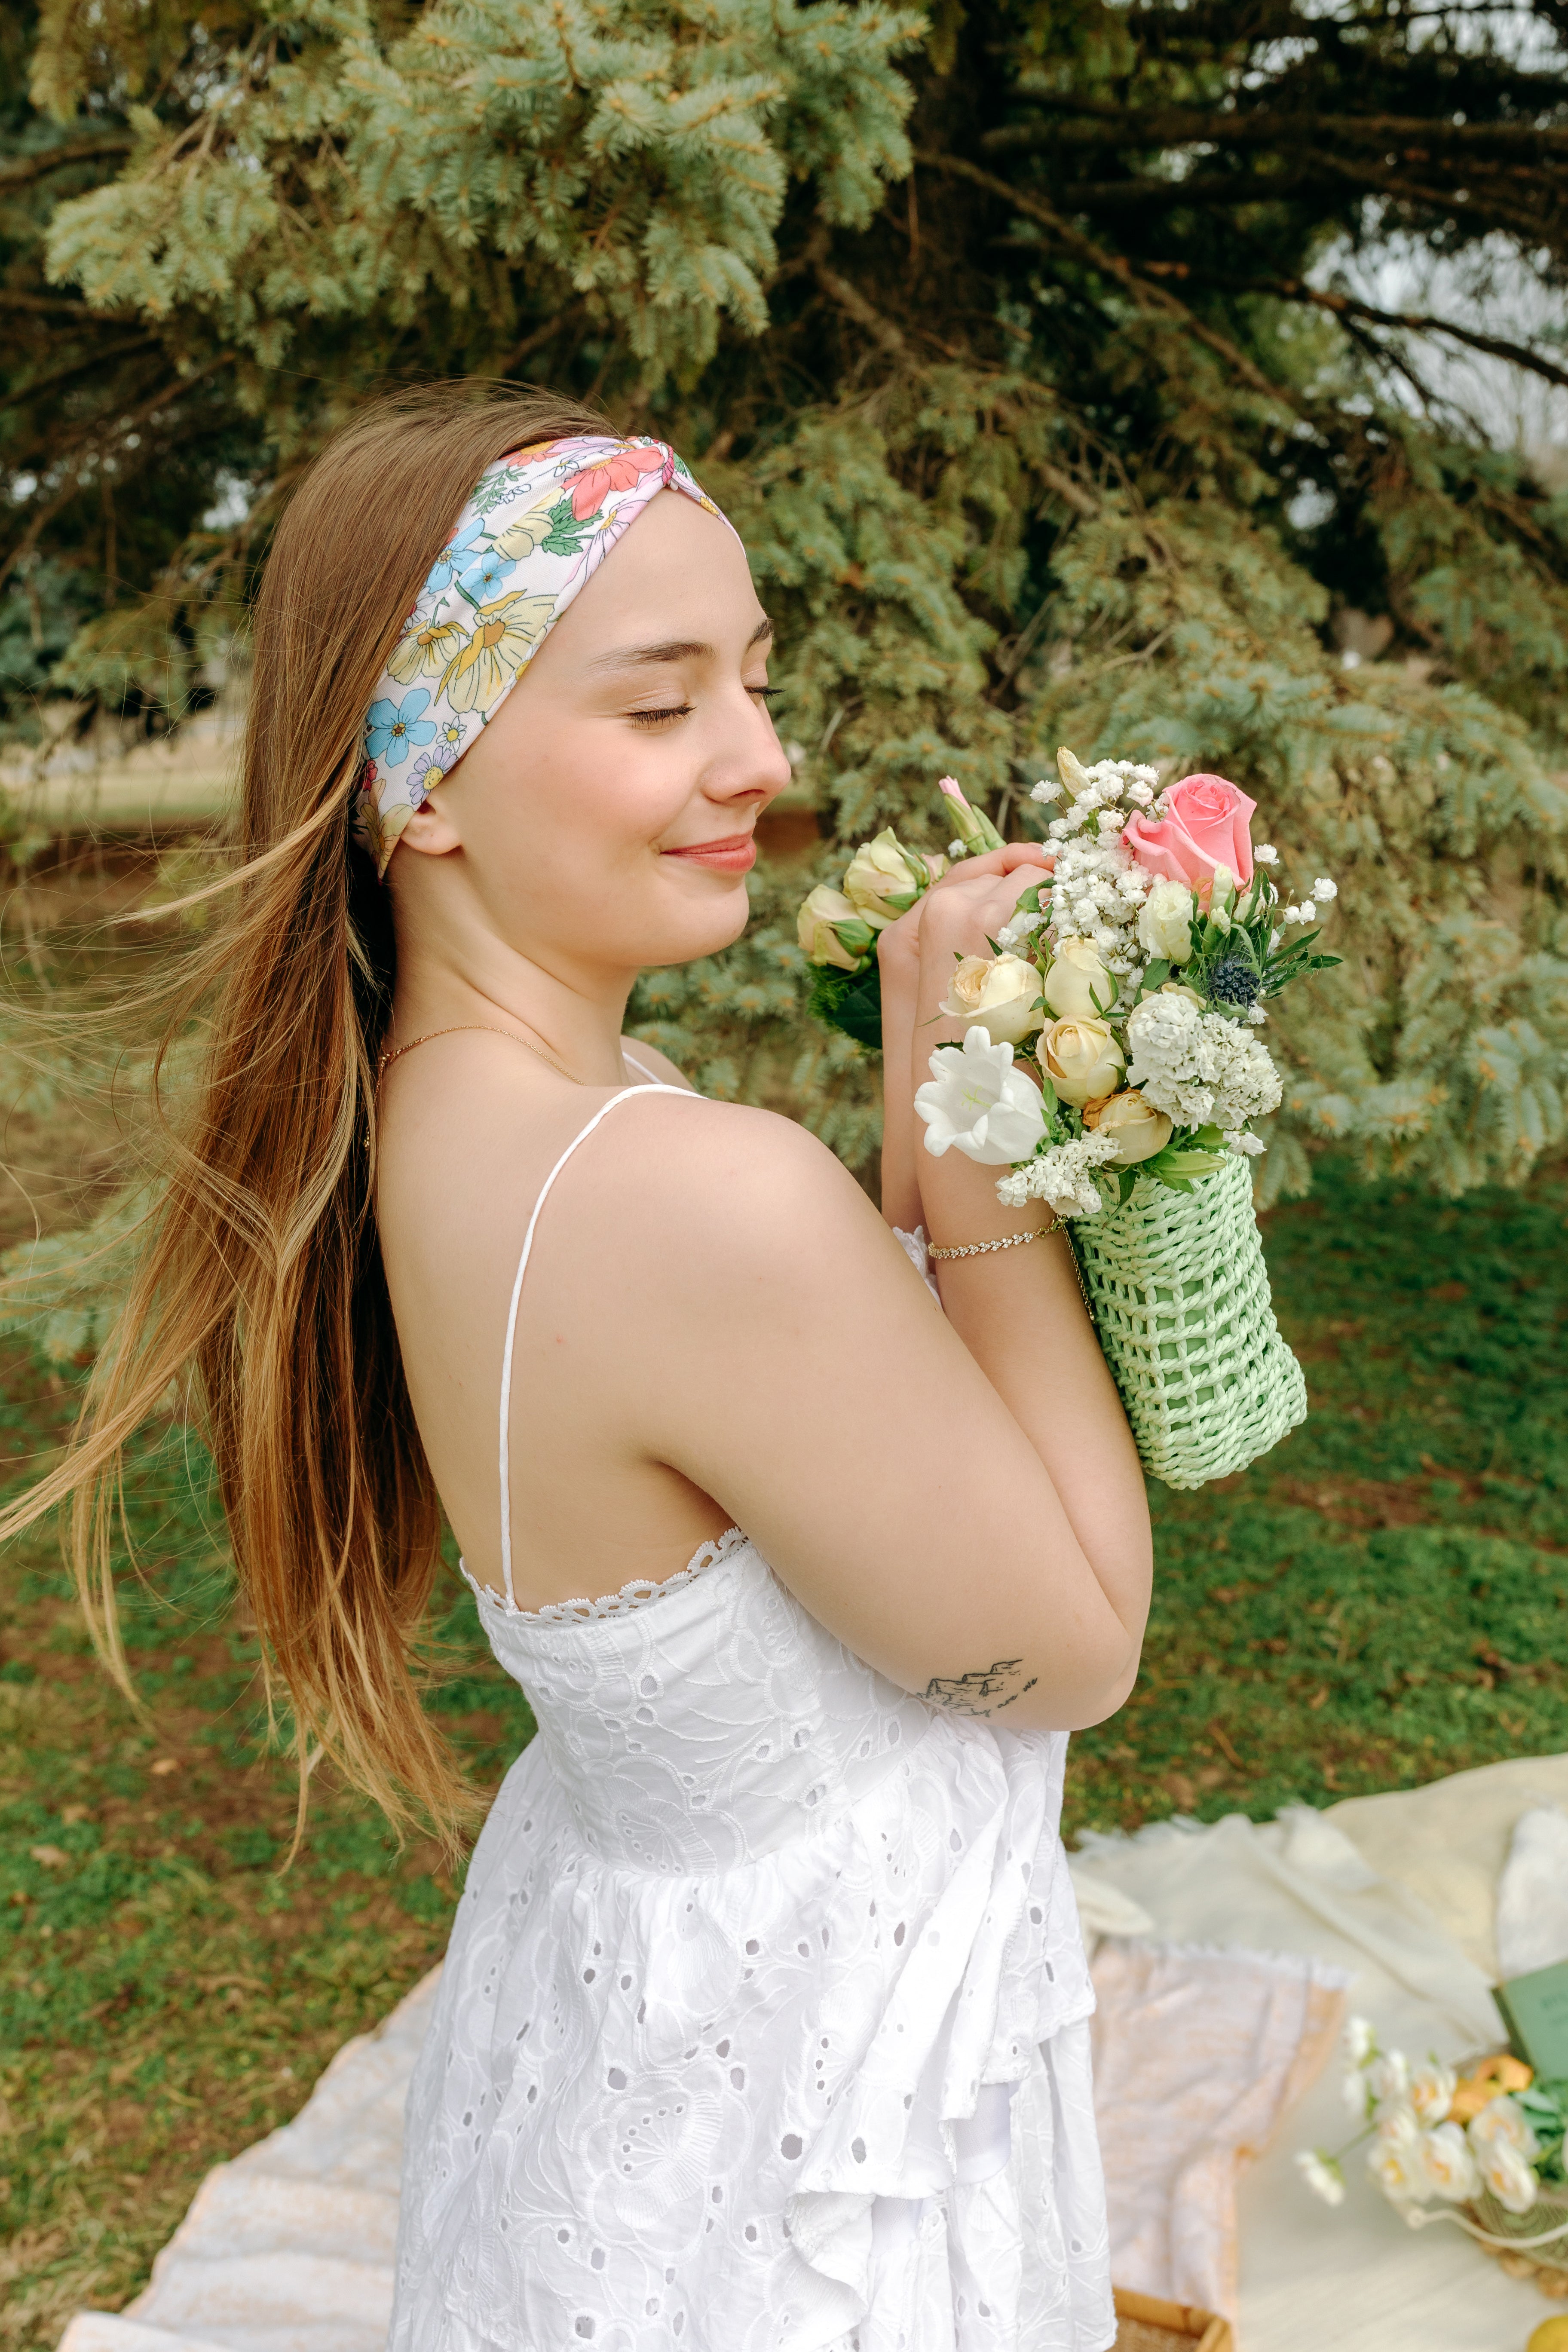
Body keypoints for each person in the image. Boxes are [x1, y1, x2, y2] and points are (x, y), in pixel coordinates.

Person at [4, 385, 1151, 2350]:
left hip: (654, 2067)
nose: (761, 759)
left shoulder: (480, 1117)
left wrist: (926, 1051)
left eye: (754, 682)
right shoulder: (680, 1194)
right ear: (423, 781)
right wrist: (985, 1151)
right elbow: (1078, 1645)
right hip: (803, 2153)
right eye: (659, 703)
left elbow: (856, 1409)